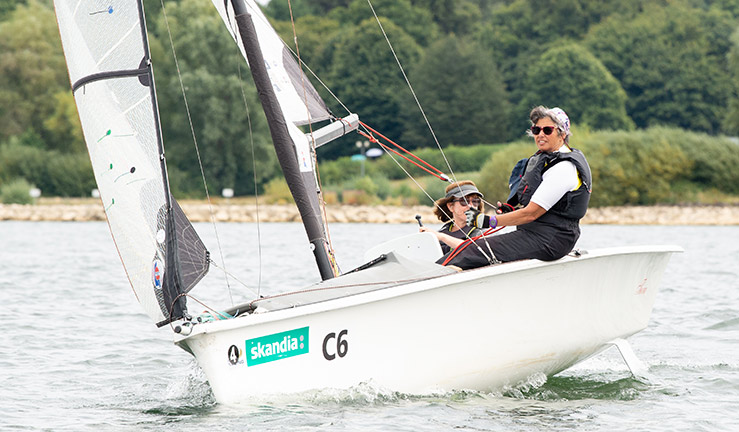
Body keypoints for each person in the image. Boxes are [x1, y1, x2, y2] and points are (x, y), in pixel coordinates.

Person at [440, 106, 592, 270]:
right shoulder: (549, 160)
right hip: (538, 235)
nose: (540, 134)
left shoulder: (564, 168)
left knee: (472, 250)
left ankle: (426, 279)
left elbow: (531, 214)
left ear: (562, 134)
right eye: (536, 129)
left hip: (551, 240)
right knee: (474, 248)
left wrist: (487, 221)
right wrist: (511, 211)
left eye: (547, 130)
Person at [419, 181, 485, 255]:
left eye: (475, 201)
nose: (471, 206)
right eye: (464, 201)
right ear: (451, 206)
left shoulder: (486, 231)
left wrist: (442, 237)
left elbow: (474, 250)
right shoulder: (441, 233)